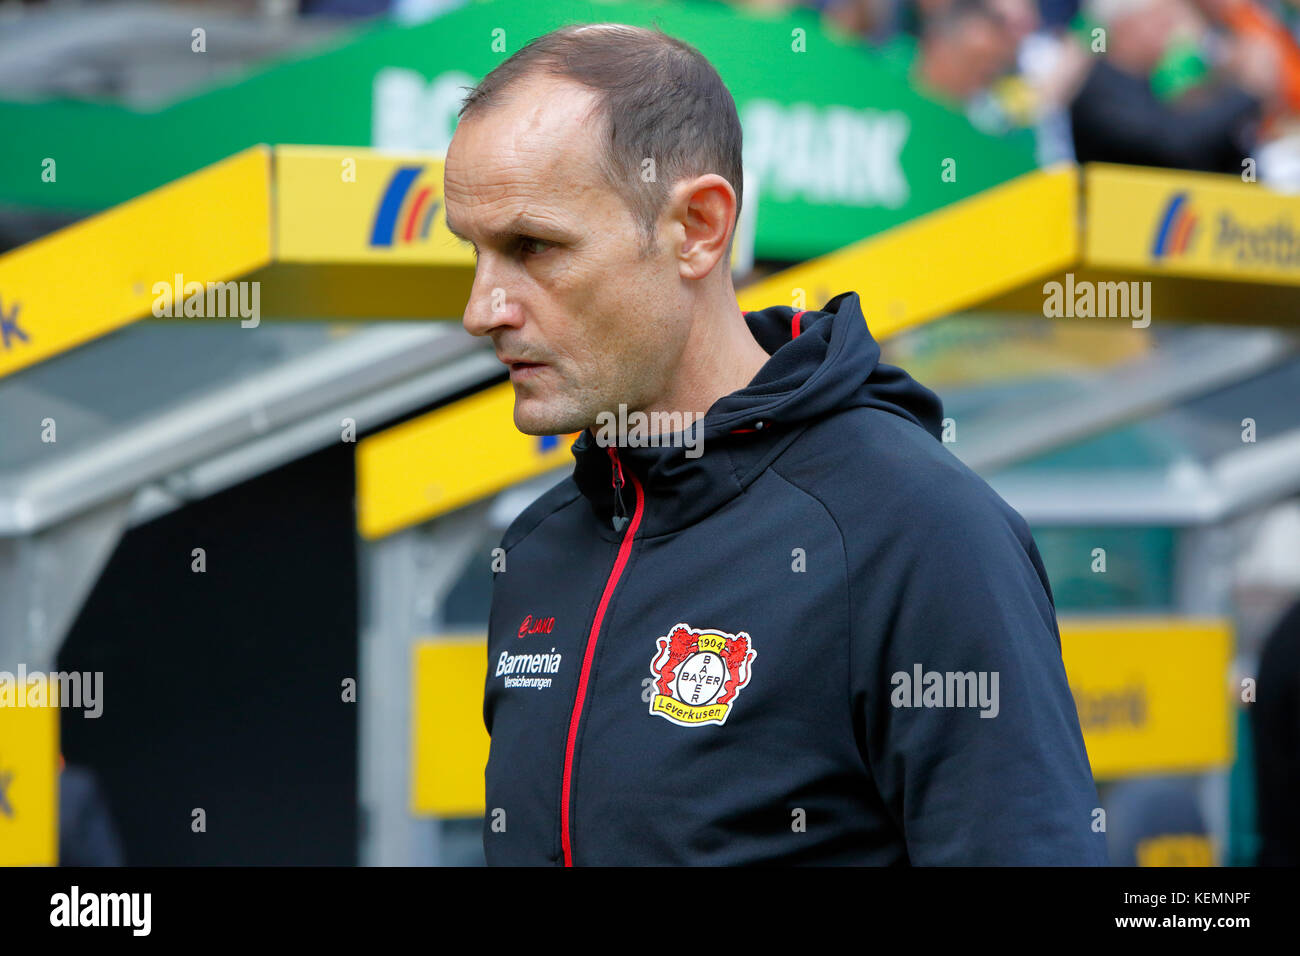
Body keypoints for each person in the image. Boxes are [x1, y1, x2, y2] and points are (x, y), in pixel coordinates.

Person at [443, 22, 1108, 866]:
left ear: (698, 227)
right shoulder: (541, 547)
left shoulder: (919, 530)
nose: (482, 309)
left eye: (532, 247)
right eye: (474, 251)